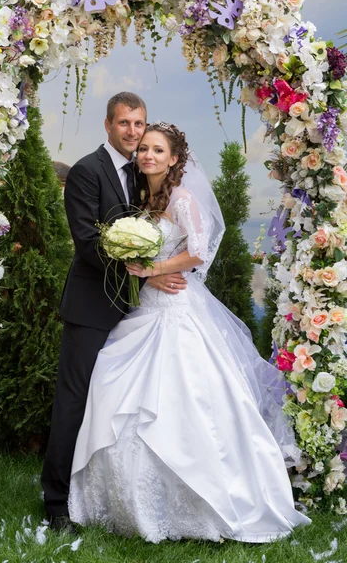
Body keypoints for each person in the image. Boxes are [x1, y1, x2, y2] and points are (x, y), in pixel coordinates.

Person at [68, 121, 311, 543]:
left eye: (158, 151)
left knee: (186, 398)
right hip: (146, 308)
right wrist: (141, 270)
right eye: (144, 149)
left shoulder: (181, 198)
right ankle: (126, 503)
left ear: (175, 159)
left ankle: (201, 504)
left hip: (177, 309)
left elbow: (197, 253)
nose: (148, 156)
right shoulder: (140, 201)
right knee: (117, 381)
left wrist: (154, 269)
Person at [41, 95, 187, 533]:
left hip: (133, 312)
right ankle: (55, 502)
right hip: (91, 307)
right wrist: (148, 276)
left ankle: (103, 494)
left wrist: (151, 274)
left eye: (139, 123)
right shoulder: (88, 171)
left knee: (118, 404)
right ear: (108, 125)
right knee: (74, 400)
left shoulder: (143, 175)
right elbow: (88, 243)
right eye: (124, 123)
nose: (132, 132)